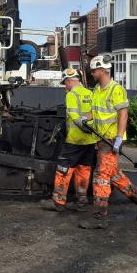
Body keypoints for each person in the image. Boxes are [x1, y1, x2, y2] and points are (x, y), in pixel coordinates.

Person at [79, 55, 137, 229]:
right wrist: (85, 118)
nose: (92, 73)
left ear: (103, 70)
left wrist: (119, 137)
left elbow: (123, 114)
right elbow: (95, 112)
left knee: (101, 176)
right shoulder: (97, 89)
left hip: (111, 139)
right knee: (113, 175)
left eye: (94, 70)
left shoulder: (116, 89)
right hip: (101, 140)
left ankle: (100, 216)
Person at [39, 68, 97, 212]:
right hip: (90, 141)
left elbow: (75, 117)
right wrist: (90, 130)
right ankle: (82, 201)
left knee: (63, 169)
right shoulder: (90, 93)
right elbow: (95, 114)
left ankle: (58, 201)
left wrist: (84, 128)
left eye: (65, 82)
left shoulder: (72, 95)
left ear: (69, 81)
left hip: (75, 140)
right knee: (83, 169)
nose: (65, 85)